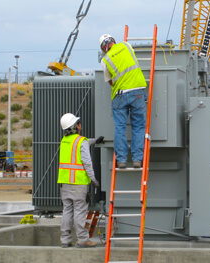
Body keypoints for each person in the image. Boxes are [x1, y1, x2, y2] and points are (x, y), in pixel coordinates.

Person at [99, 34, 147, 169]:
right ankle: (137, 159)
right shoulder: (126, 45)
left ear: (103, 48)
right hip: (137, 91)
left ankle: (121, 161)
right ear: (113, 41)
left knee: (120, 127)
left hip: (120, 95)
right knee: (138, 126)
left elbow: (110, 81)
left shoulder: (105, 60)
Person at [58, 113, 104, 248]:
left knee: (67, 211)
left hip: (64, 183)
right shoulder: (80, 141)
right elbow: (87, 163)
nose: (80, 124)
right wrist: (94, 180)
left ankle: (65, 240)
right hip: (78, 183)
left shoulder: (64, 141)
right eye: (78, 122)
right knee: (79, 211)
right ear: (76, 126)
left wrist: (94, 141)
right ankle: (83, 239)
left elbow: (82, 142)